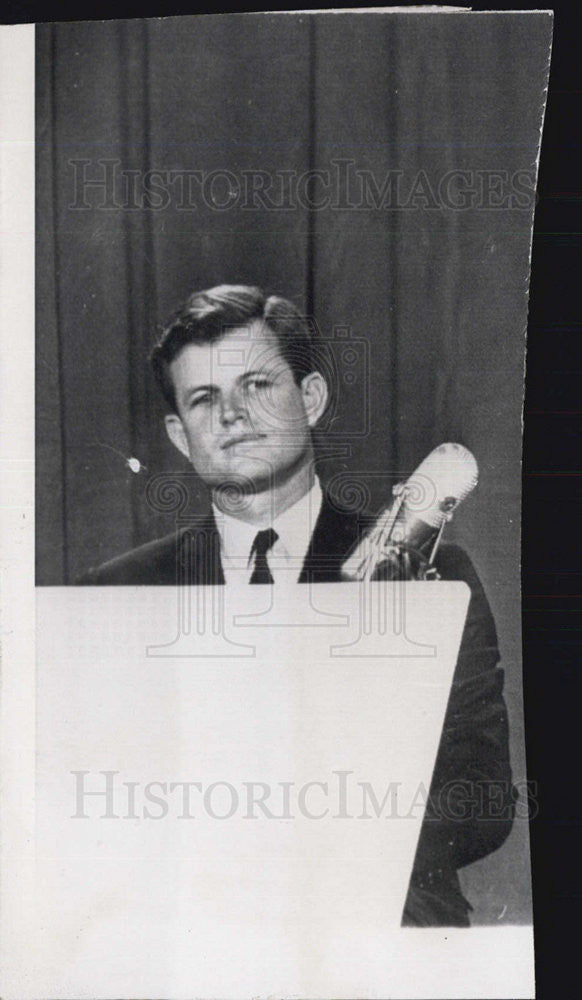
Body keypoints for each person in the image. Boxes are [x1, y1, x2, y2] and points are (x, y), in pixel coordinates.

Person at [81, 283, 516, 925]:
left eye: (256, 385)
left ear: (310, 399)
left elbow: (480, 801)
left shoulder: (435, 574)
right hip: (192, 935)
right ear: (179, 434)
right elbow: (85, 803)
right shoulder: (115, 593)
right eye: (204, 399)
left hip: (383, 930)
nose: (230, 415)